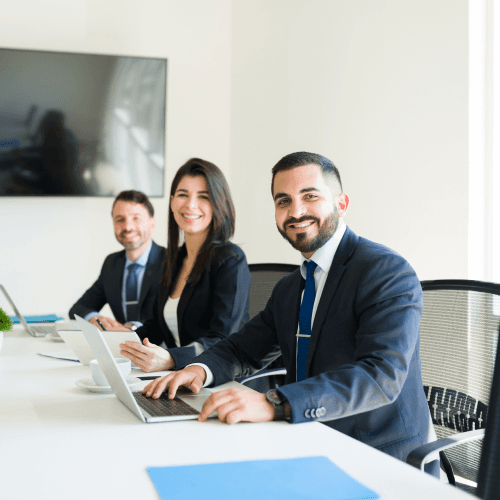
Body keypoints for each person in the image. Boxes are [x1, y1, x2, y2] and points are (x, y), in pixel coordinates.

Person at [142, 151, 440, 477]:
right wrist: (199, 370)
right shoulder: (290, 288)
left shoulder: (384, 271)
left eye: (310, 196)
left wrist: (276, 401)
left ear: (341, 204)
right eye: (283, 201)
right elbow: (244, 348)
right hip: (304, 442)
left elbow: (379, 377)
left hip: (378, 459)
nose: (295, 211)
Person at [119, 158, 251, 372]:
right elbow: (155, 328)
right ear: (172, 202)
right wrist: (117, 343)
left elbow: (223, 339)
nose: (190, 205)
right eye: (183, 195)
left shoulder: (230, 260)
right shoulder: (174, 260)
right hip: (177, 378)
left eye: (203, 196)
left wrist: (172, 358)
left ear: (218, 203)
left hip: (217, 380)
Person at [69, 190, 165, 330]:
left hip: (161, 349)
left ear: (152, 224)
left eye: (136, 218)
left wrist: (132, 329)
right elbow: (78, 308)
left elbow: (170, 322)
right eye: (120, 219)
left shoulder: (170, 262)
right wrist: (95, 318)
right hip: (121, 347)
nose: (127, 227)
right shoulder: (112, 263)